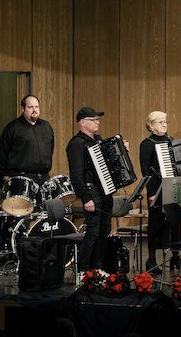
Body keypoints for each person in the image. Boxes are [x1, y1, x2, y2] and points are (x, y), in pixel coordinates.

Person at [67, 106, 119, 272]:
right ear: (83, 123)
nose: (97, 122)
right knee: (93, 232)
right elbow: (76, 175)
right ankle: (83, 270)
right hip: (91, 191)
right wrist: (86, 198)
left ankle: (97, 268)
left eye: (98, 119)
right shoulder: (76, 144)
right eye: (93, 120)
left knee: (104, 231)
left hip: (105, 190)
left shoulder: (98, 140)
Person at [138, 111, 181, 273]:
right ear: (151, 126)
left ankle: (176, 257)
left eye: (165, 122)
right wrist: (151, 192)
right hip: (156, 189)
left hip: (171, 186)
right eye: (160, 122)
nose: (164, 124)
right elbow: (145, 171)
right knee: (155, 223)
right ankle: (151, 259)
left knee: (175, 222)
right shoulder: (146, 144)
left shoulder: (170, 140)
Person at [0, 95, 54, 188]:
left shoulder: (46, 126)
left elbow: (50, 149)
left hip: (43, 179)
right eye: (30, 107)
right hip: (20, 180)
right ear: (23, 109)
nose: (34, 110)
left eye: (36, 107)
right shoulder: (13, 128)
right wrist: (2, 176)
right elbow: (1, 153)